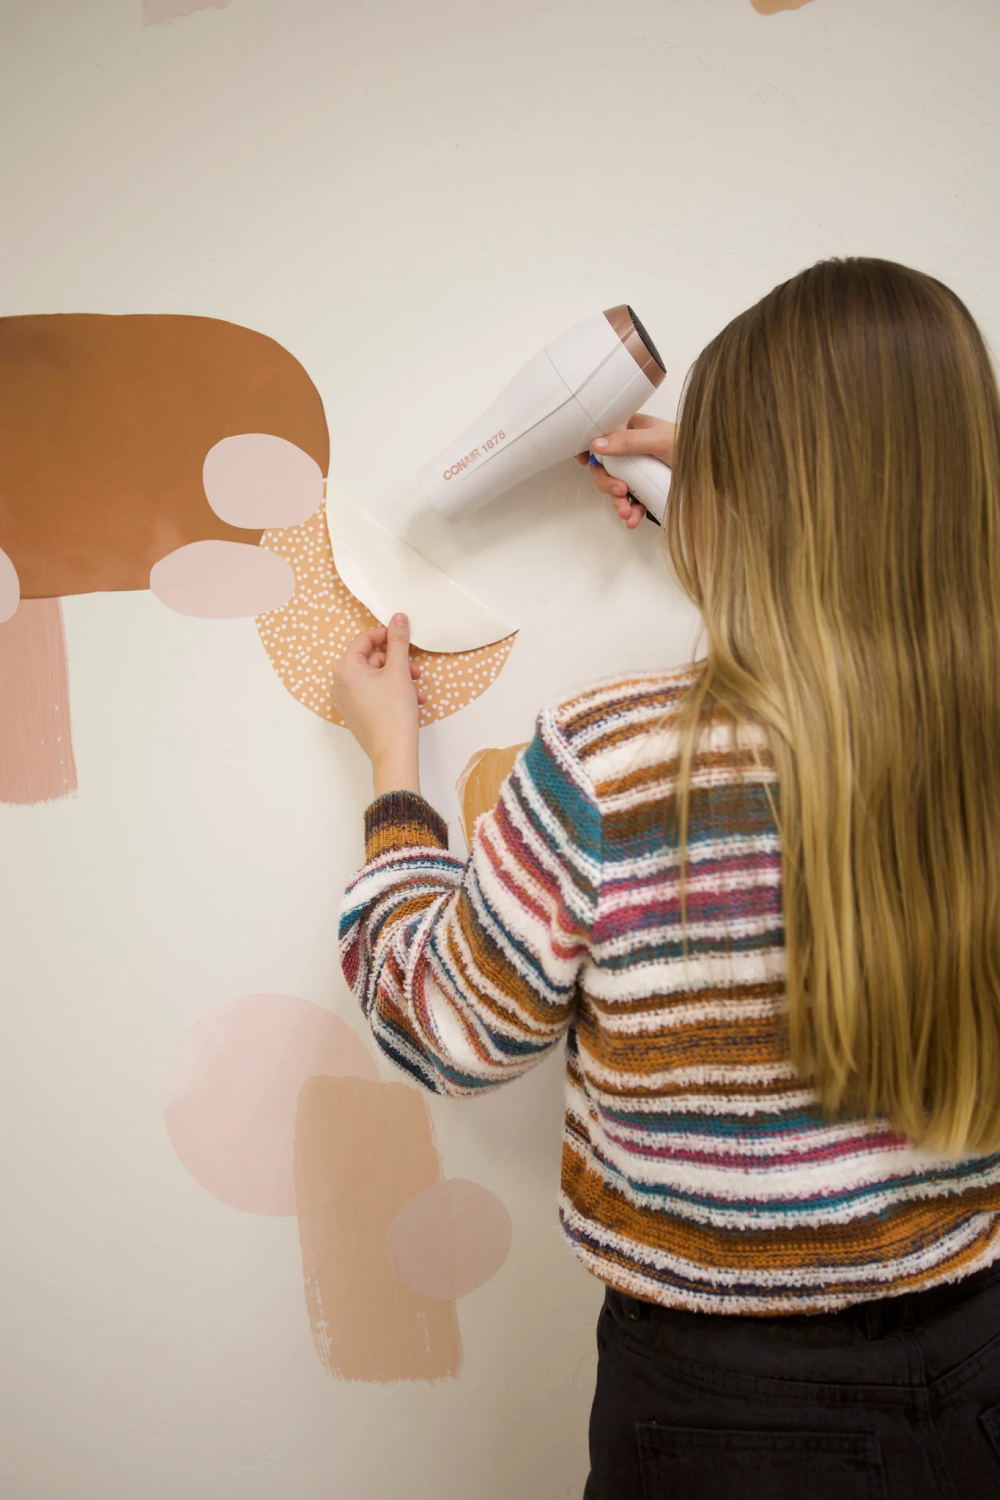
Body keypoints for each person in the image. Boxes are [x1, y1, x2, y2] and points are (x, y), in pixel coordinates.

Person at [330, 258, 1000, 1499]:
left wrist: (391, 772)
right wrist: (758, 481)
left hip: (718, 1423)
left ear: (761, 488)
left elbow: (447, 1031)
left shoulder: (618, 767)